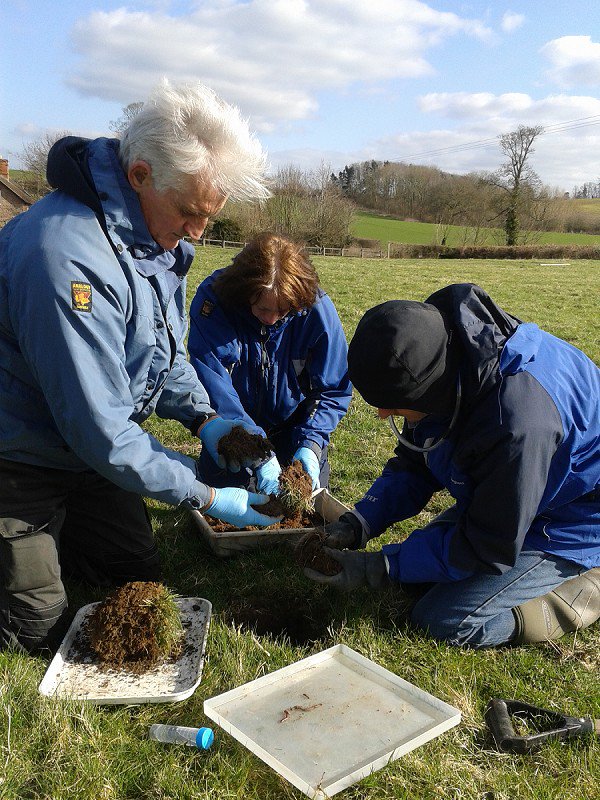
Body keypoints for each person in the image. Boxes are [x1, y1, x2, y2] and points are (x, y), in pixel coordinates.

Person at [0, 80, 283, 654]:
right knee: (38, 629)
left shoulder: (153, 239)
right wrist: (206, 495)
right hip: (19, 455)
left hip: (88, 451)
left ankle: (63, 534)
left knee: (135, 571)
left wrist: (207, 420)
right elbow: (100, 430)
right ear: (139, 174)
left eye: (210, 215)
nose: (198, 233)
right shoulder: (66, 260)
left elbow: (163, 352)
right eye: (190, 213)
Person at [301, 283, 599, 648]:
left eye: (391, 404)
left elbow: (487, 545)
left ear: (425, 389)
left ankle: (577, 594)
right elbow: (417, 459)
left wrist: (378, 568)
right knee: (421, 575)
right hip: (522, 488)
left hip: (574, 517)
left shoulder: (517, 425)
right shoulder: (439, 357)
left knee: (442, 619)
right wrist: (361, 521)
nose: (381, 415)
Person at [188, 232, 352, 495]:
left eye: (284, 311)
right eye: (263, 309)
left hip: (294, 427)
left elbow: (334, 389)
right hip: (234, 426)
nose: (272, 319)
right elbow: (213, 382)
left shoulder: (316, 310)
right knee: (223, 499)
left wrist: (311, 443)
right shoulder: (214, 302)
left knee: (301, 502)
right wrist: (253, 445)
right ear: (245, 291)